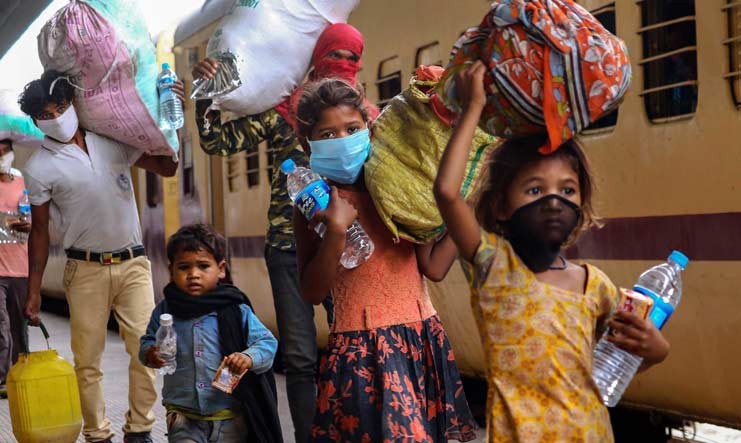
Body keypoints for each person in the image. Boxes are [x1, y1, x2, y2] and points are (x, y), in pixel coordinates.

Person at [433, 62, 671, 442]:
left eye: (567, 190)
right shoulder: (494, 265)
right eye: (534, 190)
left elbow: (617, 363)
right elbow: (446, 192)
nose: (554, 202)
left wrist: (657, 350)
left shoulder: (597, 287)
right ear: (499, 206)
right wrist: (472, 108)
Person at [191, 23, 377, 443]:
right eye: (334, 56)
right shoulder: (287, 114)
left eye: (350, 58)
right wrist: (205, 93)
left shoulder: (365, 118)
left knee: (353, 345)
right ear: (316, 57)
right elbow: (217, 141)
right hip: (287, 245)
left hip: (348, 244)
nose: (341, 67)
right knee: (299, 355)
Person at [292, 78, 478, 442]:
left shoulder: (395, 189)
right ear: (307, 143)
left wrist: (466, 207)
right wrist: (336, 232)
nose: (342, 140)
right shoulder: (314, 205)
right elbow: (312, 291)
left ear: (370, 129)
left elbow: (434, 267)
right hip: (363, 349)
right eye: (327, 135)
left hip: (421, 338)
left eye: (351, 129)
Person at [19, 70, 180, 443]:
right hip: (85, 269)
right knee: (87, 362)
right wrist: (34, 290)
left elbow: (168, 168)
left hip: (134, 264)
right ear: (36, 121)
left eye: (61, 105)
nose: (57, 116)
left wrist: (174, 123)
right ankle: (98, 434)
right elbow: (40, 233)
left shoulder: (110, 141)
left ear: (73, 103)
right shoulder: (38, 167)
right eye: (47, 113)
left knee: (147, 349)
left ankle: (140, 429)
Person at [140, 224, 280, 443]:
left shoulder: (235, 309)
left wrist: (248, 357)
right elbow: (147, 340)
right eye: (184, 267)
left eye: (203, 266)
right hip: (183, 416)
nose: (193, 274)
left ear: (221, 269)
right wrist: (149, 353)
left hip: (229, 417)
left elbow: (267, 343)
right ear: (171, 270)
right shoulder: (165, 310)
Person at [0, 139, 31, 399]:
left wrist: (29, 226)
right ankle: (2, 379)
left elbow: (34, 219)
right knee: (1, 327)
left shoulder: (23, 182)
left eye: (5, 150)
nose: (2, 155)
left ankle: (21, 374)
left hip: (20, 268)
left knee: (18, 328)